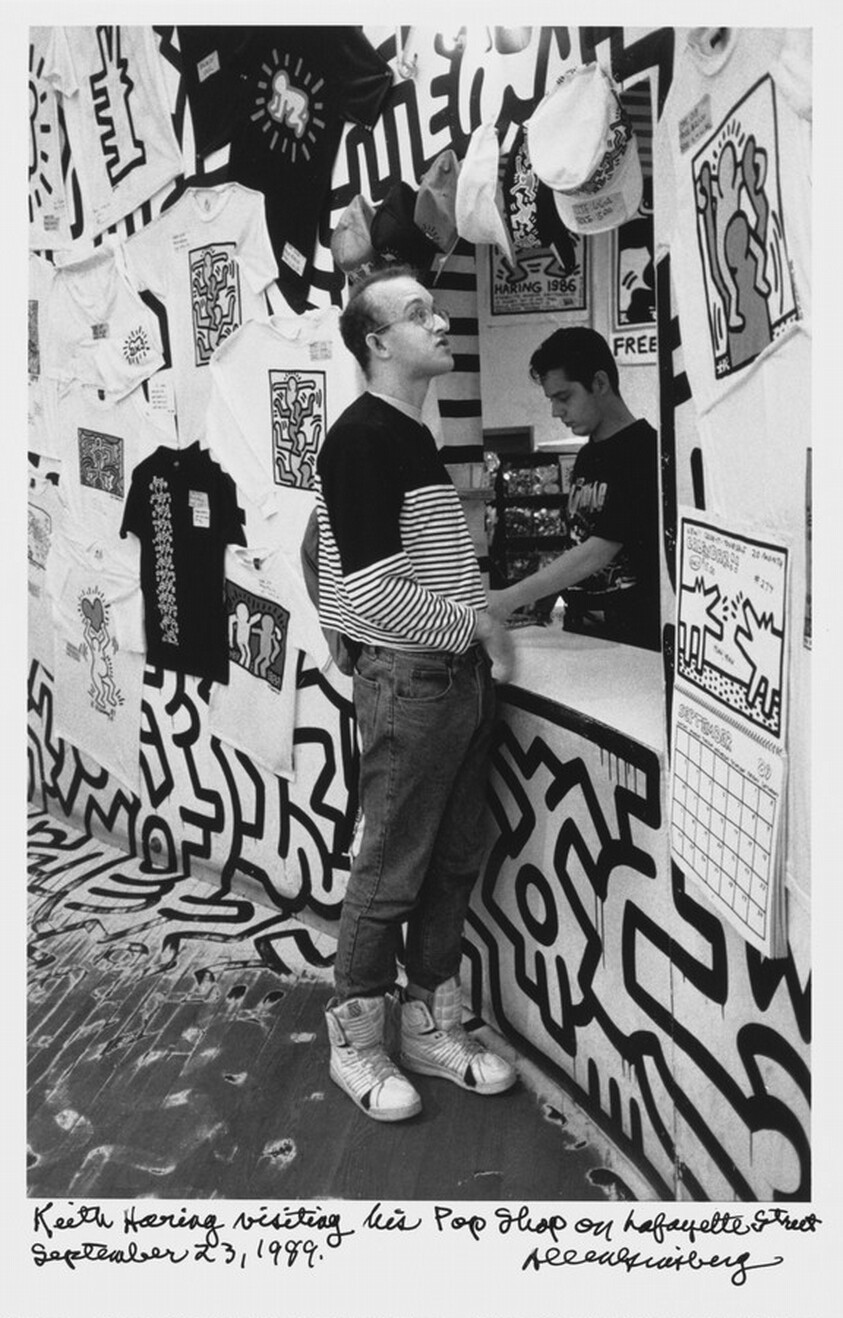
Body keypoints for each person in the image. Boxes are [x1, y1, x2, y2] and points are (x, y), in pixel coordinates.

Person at [315, 264, 517, 1122]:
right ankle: (356, 1042)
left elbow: (343, 560)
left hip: (455, 684)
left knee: (455, 856)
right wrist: (474, 626)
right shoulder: (361, 436)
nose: (438, 325)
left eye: (434, 311)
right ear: (376, 342)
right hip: (415, 683)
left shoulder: (408, 434)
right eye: (417, 315)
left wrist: (480, 622)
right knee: (392, 866)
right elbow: (365, 592)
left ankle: (431, 1025)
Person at [489, 326, 660, 650]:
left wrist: (508, 598)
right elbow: (579, 540)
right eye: (552, 399)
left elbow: (598, 551)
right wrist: (545, 595)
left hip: (631, 639)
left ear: (599, 383)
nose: (556, 411)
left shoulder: (644, 450)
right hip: (581, 628)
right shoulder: (586, 455)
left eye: (564, 397)